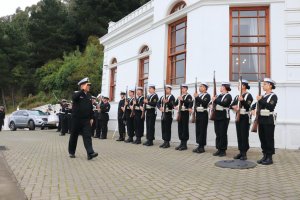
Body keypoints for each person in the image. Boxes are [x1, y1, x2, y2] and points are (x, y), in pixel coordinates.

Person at [68, 77, 98, 160]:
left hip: (86, 120)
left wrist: (91, 118)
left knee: (87, 136)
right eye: (87, 85)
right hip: (76, 119)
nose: (89, 87)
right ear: (82, 85)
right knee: (74, 136)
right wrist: (82, 91)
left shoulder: (89, 95)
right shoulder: (76, 93)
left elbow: (90, 107)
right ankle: (71, 152)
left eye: (89, 85)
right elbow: (74, 98)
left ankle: (90, 153)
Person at [252, 78, 278, 165]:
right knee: (262, 138)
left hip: (268, 119)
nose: (263, 86)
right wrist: (252, 109)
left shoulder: (273, 96)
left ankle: (269, 157)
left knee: (268, 138)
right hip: (261, 119)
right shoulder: (262, 96)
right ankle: (265, 155)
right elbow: (254, 105)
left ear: (270, 85)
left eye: (265, 84)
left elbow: (270, 106)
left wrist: (260, 100)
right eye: (263, 84)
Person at [230, 79, 253, 160]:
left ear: (244, 86)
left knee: (244, 135)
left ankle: (244, 153)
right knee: (239, 135)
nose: (238, 86)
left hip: (244, 117)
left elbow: (248, 106)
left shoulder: (248, 95)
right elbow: (231, 105)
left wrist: (242, 101)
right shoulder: (237, 96)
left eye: (239, 84)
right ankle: (240, 151)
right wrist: (233, 107)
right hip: (238, 116)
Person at [211, 82, 232, 157]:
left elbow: (224, 103)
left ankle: (223, 150)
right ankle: (218, 149)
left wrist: (215, 100)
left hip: (224, 117)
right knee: (218, 133)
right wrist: (211, 104)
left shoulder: (228, 96)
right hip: (217, 116)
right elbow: (212, 103)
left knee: (223, 133)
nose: (220, 87)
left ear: (225, 87)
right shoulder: (219, 96)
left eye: (222, 86)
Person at [193, 82, 211, 153]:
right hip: (198, 114)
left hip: (203, 114)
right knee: (198, 130)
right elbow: (196, 104)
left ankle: (202, 147)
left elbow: (204, 103)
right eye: (199, 86)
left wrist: (197, 97)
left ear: (205, 88)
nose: (200, 87)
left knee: (202, 130)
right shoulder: (199, 95)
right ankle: (199, 145)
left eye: (201, 86)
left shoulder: (207, 95)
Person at [175, 84, 193, 151]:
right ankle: (181, 143)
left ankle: (184, 144)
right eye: (181, 88)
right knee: (180, 128)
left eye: (183, 88)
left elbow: (189, 103)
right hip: (180, 113)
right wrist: (175, 106)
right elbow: (175, 103)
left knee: (184, 128)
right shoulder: (180, 96)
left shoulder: (189, 96)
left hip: (185, 113)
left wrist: (182, 100)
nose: (182, 89)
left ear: (186, 89)